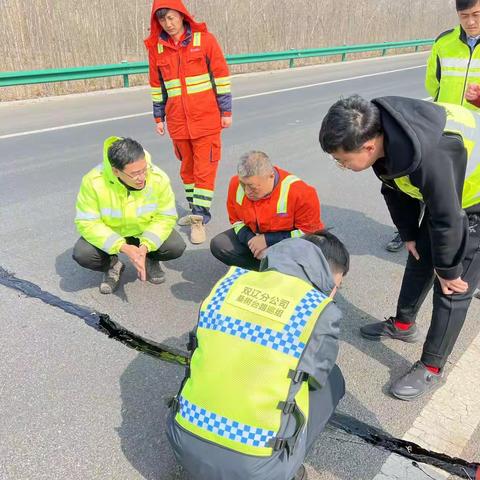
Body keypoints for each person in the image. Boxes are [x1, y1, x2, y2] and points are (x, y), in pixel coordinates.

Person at [319, 95, 480, 401]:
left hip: (473, 200)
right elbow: (395, 185)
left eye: (341, 160)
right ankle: (404, 324)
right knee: (420, 253)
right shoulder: (383, 133)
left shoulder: (430, 153)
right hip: (448, 195)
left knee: (452, 288)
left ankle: (432, 366)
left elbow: (449, 216)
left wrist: (448, 269)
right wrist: (408, 232)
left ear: (368, 146)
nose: (340, 165)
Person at [166, 231, 349, 480]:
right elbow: (316, 378)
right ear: (327, 275)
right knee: (332, 381)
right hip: (256, 470)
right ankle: (288, 465)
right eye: (337, 285)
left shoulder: (231, 281)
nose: (334, 291)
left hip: (182, 441)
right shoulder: (318, 310)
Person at [385, 0, 480, 253]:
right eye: (464, 15)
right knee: (425, 185)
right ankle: (409, 233)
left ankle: (469, 257)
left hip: (478, 135)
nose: (470, 22)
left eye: (476, 14)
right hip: (442, 129)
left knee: (472, 196)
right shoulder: (444, 42)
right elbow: (433, 84)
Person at [144, 0, 232, 245]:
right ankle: (197, 209)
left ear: (182, 16)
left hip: (206, 119)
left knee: (205, 169)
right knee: (188, 170)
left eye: (171, 17)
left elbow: (221, 76)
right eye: (162, 20)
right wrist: (158, 117)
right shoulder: (157, 49)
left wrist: (226, 111)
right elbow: (157, 86)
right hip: (177, 122)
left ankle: (199, 218)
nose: (168, 24)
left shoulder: (204, 40)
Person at [73, 136, 186, 294]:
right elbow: (87, 222)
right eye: (134, 174)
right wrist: (122, 246)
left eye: (144, 170)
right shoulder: (93, 181)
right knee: (83, 254)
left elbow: (165, 216)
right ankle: (113, 266)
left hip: (143, 232)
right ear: (116, 171)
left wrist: (146, 246)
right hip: (113, 233)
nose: (142, 178)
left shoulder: (158, 177)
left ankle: (150, 259)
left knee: (174, 247)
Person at [210, 151, 324, 271]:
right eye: (243, 184)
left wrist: (267, 240)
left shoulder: (301, 193)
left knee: (308, 255)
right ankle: (265, 270)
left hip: (289, 245)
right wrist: (252, 242)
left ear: (271, 176)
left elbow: (309, 233)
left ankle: (286, 272)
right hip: (255, 238)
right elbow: (237, 221)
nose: (247, 191)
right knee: (220, 245)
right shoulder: (235, 184)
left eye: (252, 187)